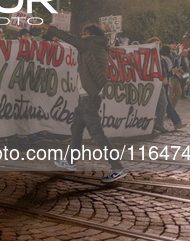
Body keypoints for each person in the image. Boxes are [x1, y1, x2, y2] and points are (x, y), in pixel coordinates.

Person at [36, 23, 127, 182]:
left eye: (84, 34)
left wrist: (47, 27)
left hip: (88, 97)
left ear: (90, 35)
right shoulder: (99, 45)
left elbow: (68, 37)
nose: (82, 37)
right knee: (76, 128)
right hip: (86, 96)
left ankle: (117, 167)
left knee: (97, 133)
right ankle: (71, 162)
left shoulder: (90, 44)